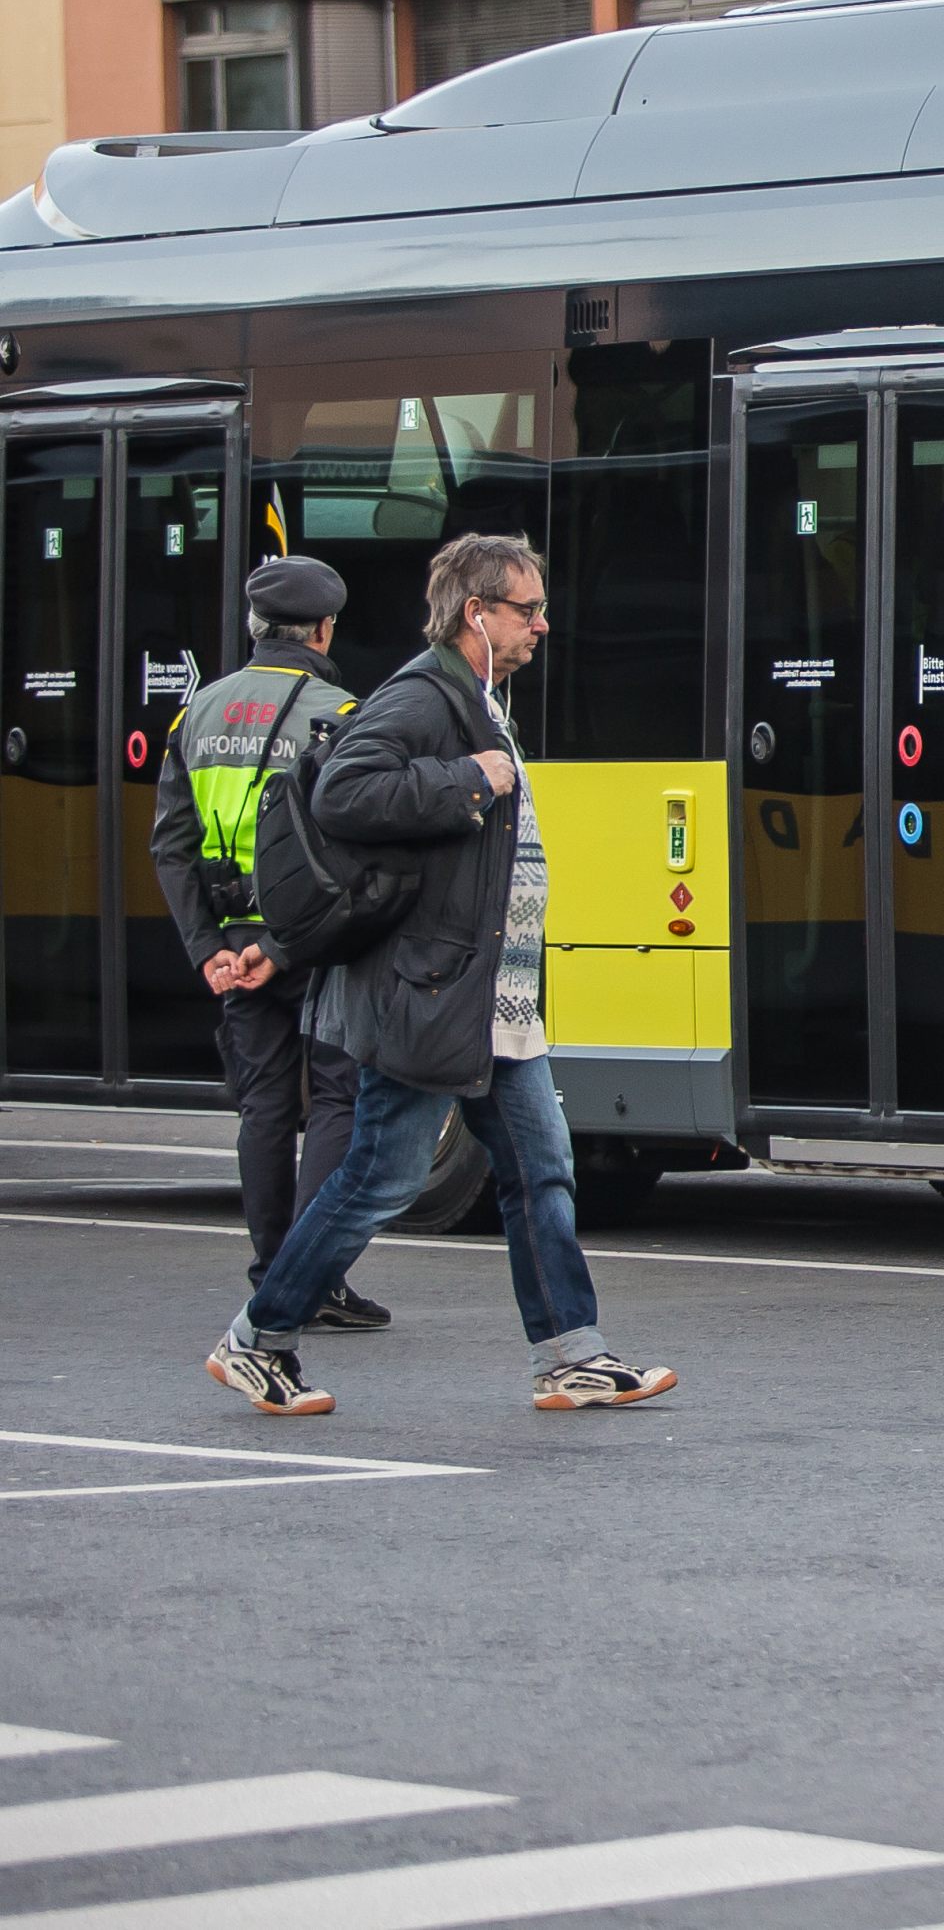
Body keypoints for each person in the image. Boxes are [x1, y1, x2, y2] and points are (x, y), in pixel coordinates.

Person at [203, 534, 676, 1418]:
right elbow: (343, 788)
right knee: (378, 1178)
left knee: (542, 1169)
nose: (542, 623)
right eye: (525, 609)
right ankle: (258, 1338)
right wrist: (469, 776)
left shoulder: (480, 698)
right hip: (433, 994)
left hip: (490, 996)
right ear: (476, 614)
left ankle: (572, 1353)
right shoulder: (425, 696)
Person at [145, 554, 384, 1330]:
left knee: (265, 1109)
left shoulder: (198, 712)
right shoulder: (344, 712)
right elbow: (356, 845)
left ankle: (269, 1274)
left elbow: (171, 847)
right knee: (339, 1097)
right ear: (323, 628)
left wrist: (207, 947)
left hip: (231, 941)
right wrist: (287, 943)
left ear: (255, 627)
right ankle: (312, 1275)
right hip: (314, 941)